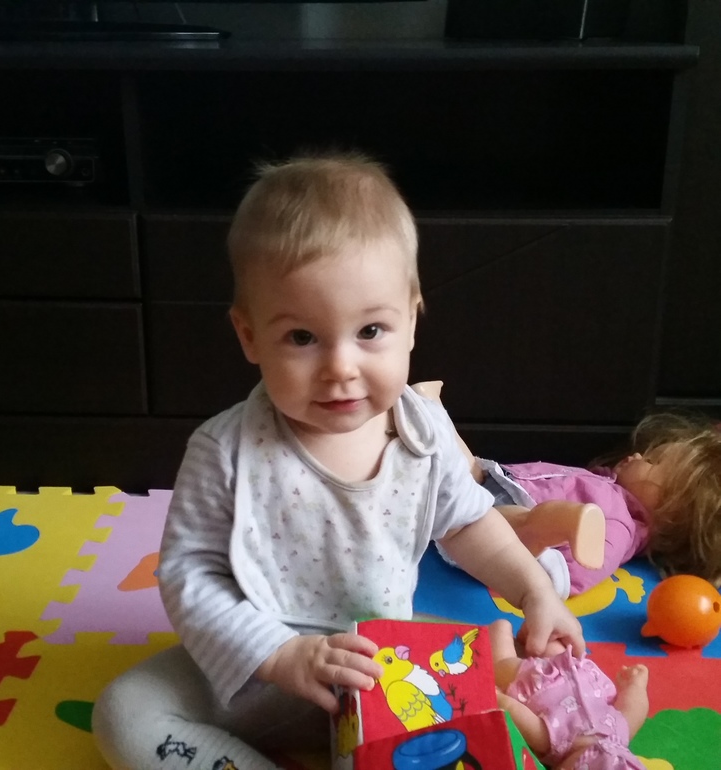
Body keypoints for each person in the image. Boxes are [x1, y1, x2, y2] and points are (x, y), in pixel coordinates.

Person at [91, 151, 583, 770]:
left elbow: (469, 525)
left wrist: (535, 591)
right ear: (250, 336)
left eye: (370, 331)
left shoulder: (423, 433)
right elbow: (190, 576)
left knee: (447, 701)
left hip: (377, 664)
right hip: (260, 666)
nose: (340, 368)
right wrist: (278, 655)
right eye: (302, 337)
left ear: (411, 319)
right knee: (125, 713)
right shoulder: (226, 451)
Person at [417, 381, 721, 597]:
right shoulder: (610, 490)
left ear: (670, 512)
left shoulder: (620, 526)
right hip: (505, 491)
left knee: (482, 507)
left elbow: (578, 573)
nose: (639, 455)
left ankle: (547, 525)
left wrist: (543, 565)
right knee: (469, 472)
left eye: (652, 462)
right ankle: (431, 409)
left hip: (505, 536)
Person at [489, 619, 649, 769]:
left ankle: (533, 633)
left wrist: (637, 684)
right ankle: (501, 628)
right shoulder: (554, 741)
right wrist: (497, 696)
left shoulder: (621, 730)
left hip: (573, 669)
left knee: (550, 643)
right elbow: (512, 709)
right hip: (537, 679)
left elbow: (636, 707)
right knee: (499, 667)